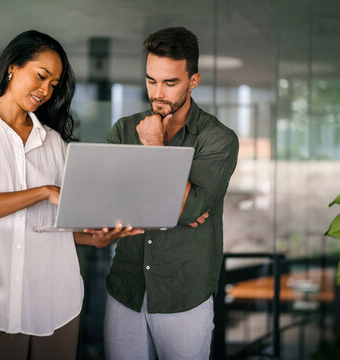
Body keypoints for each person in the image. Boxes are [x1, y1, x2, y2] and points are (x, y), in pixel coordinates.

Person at [0, 30, 137, 360]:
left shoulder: (54, 143)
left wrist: (94, 239)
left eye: (54, 85)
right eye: (41, 76)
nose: (46, 90)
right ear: (12, 67)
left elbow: (56, 224)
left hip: (57, 300)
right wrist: (43, 191)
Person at [101, 27, 239, 360]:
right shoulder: (123, 129)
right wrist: (174, 206)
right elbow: (106, 202)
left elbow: (190, 210)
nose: (157, 93)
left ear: (194, 81)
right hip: (126, 288)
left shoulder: (218, 139)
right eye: (151, 80)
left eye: (170, 82)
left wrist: (154, 147)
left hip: (184, 294)